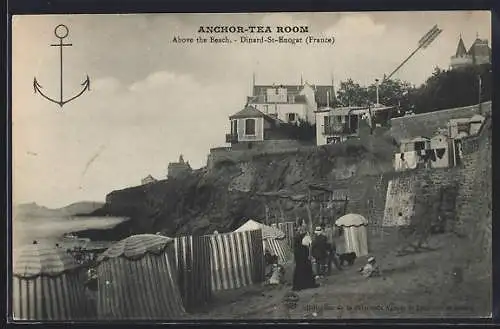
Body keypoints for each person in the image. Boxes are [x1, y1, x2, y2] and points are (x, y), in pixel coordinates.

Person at [292, 226, 318, 291]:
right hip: (305, 264)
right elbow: (307, 256)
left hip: (299, 265)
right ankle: (308, 284)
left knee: (299, 275)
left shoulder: (296, 249)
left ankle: (300, 285)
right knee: (307, 273)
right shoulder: (303, 248)